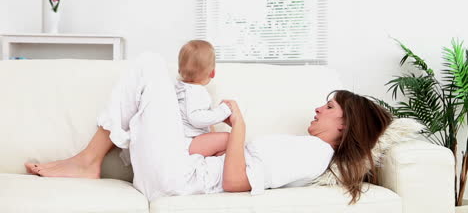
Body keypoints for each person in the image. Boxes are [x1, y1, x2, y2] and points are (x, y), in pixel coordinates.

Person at [25, 52, 392, 204]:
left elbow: (234, 182)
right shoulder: (306, 149)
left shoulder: (313, 154)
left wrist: (239, 128)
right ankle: (94, 158)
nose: (317, 108)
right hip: (174, 168)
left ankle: (89, 161)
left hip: (176, 178)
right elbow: (227, 156)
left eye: (328, 107)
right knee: (158, 89)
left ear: (345, 126)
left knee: (149, 64)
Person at [175, 40, 232, 157]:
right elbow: (196, 118)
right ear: (212, 73)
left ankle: (215, 162)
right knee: (229, 138)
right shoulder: (196, 91)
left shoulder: (179, 88)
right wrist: (224, 111)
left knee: (222, 152)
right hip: (191, 142)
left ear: (179, 70)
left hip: (186, 141)